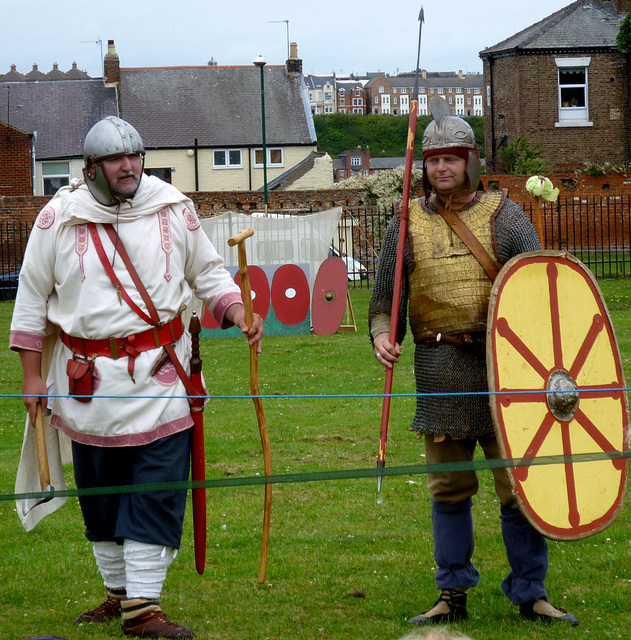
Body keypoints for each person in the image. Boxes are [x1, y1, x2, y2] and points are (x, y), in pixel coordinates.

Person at [11, 116, 264, 639]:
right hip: (88, 385)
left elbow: (209, 272)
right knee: (101, 497)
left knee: (156, 487)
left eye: (135, 157)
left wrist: (237, 310)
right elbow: (31, 298)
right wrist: (32, 376)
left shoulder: (172, 207)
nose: (128, 167)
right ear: (92, 167)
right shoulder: (58, 218)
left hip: (161, 377)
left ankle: (143, 609)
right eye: (115, 159)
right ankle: (121, 595)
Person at [369, 97, 578, 627]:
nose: (442, 167)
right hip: (441, 368)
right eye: (434, 159)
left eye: (452, 158)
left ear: (471, 163)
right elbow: (383, 300)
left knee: (519, 487)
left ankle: (531, 591)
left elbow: (537, 290)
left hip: (508, 368)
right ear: (424, 166)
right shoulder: (406, 221)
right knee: (449, 488)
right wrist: (380, 336)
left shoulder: (504, 216)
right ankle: (451, 592)